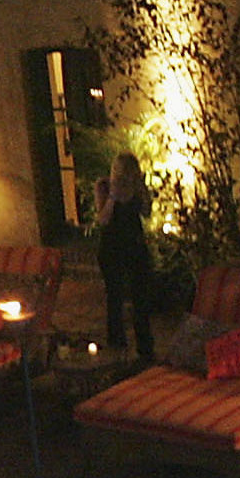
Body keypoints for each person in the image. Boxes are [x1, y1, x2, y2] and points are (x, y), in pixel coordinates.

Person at [94, 151, 156, 360]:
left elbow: (147, 212)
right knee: (115, 296)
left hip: (135, 245)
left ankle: (145, 347)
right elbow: (102, 219)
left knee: (141, 297)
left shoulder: (137, 188)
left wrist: (142, 190)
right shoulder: (104, 186)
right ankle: (117, 345)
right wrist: (113, 195)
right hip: (112, 247)